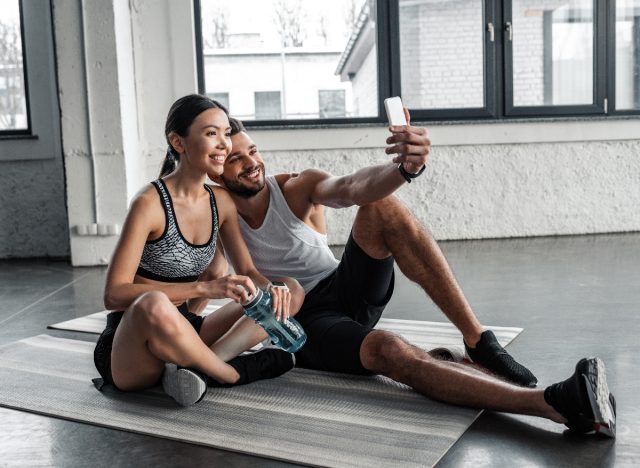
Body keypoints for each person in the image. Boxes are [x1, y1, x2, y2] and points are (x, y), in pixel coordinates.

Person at [206, 114, 616, 437]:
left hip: (343, 287)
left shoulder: (295, 187)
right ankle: (553, 403)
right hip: (302, 322)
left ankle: (479, 341)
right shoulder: (215, 216)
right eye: (236, 158)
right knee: (391, 351)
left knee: (382, 207)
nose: (250, 164)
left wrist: (404, 168)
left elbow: (353, 186)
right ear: (216, 171)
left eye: (252, 151)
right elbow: (208, 272)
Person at [93, 94, 305, 407]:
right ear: (178, 142)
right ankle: (232, 373)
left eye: (224, 133)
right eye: (211, 134)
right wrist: (204, 287)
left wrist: (270, 291)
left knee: (289, 288)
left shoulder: (221, 202)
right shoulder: (149, 204)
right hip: (131, 347)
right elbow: (113, 294)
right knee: (153, 302)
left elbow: (247, 272)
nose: (224, 144)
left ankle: (200, 368)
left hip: (185, 328)